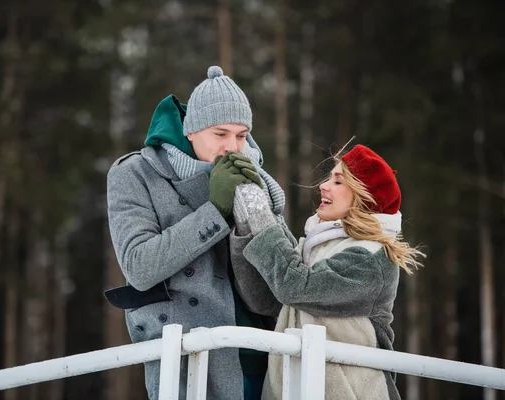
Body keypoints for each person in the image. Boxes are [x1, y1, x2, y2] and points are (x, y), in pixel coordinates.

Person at [105, 65, 291, 400]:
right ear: (191, 131)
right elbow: (139, 267)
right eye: (220, 135)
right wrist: (215, 210)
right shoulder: (134, 173)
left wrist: (258, 210)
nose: (232, 148)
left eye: (241, 135)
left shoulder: (254, 179)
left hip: (267, 359)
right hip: (189, 363)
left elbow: (283, 280)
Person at [230, 144, 425, 400]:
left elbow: (295, 286)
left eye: (338, 181)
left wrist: (263, 220)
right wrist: (246, 229)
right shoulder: (317, 246)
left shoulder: (370, 258)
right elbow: (263, 300)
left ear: (363, 197)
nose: (323, 185)